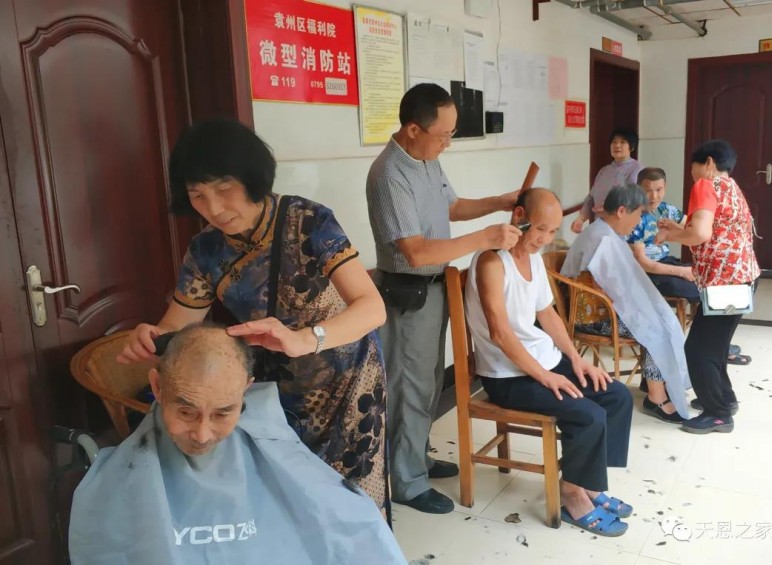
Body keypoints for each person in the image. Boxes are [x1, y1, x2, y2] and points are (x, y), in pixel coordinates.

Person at [117, 118, 389, 513]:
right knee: (286, 501)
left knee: (351, 503)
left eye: (224, 189)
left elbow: (372, 306)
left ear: (252, 177)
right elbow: (178, 325)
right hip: (274, 397)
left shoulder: (308, 222)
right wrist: (153, 335)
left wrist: (304, 338)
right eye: (197, 196)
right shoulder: (206, 251)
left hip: (346, 381)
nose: (213, 209)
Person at [71, 324, 405, 564]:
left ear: (246, 389)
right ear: (157, 388)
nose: (202, 434)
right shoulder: (133, 465)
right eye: (186, 412)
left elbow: (350, 529)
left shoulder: (267, 441)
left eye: (223, 413)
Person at [366, 83, 522, 514]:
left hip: (436, 288)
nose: (447, 143)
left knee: (430, 380)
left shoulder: (427, 159)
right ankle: (407, 482)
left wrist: (499, 202)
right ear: (413, 129)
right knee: (409, 386)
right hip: (407, 293)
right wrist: (485, 238)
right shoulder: (389, 174)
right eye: (443, 135)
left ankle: (416, 457)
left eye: (451, 134)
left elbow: (452, 207)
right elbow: (415, 251)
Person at [465, 188, 633, 537]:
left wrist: (575, 360)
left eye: (552, 231)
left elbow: (547, 313)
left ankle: (588, 483)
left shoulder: (534, 258)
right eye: (540, 229)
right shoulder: (492, 262)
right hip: (508, 376)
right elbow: (499, 333)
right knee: (588, 414)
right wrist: (545, 376)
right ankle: (572, 496)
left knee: (617, 396)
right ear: (519, 216)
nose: (544, 239)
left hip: (545, 362)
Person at [561, 184, 692, 422]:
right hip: (592, 317)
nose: (639, 221)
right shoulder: (602, 238)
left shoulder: (605, 233)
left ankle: (656, 381)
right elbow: (610, 287)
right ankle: (656, 397)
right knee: (653, 327)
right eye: (638, 214)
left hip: (602, 307)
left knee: (661, 319)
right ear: (622, 211)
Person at [657, 140, 760, 434]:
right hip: (741, 278)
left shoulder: (706, 185)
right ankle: (724, 400)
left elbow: (700, 234)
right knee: (714, 347)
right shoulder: (732, 188)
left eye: (694, 169)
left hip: (725, 284)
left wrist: (670, 237)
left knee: (698, 350)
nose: (693, 176)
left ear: (709, 163)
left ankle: (718, 414)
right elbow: (712, 231)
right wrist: (678, 230)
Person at [630, 167, 750, 366]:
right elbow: (642, 263)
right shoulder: (633, 216)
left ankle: (718, 344)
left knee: (713, 281)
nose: (653, 196)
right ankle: (708, 347)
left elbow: (694, 230)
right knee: (701, 289)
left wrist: (675, 229)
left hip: (666, 261)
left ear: (665, 188)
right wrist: (682, 271)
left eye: (659, 190)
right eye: (647, 190)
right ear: (638, 189)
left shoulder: (667, 210)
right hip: (645, 274)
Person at [571, 128, 644, 233]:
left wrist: (609, 211)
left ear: (631, 147)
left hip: (621, 228)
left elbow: (633, 199)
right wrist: (581, 218)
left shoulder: (636, 169)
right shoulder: (604, 170)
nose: (617, 145)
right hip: (600, 225)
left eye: (622, 142)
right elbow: (591, 197)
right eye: (614, 142)